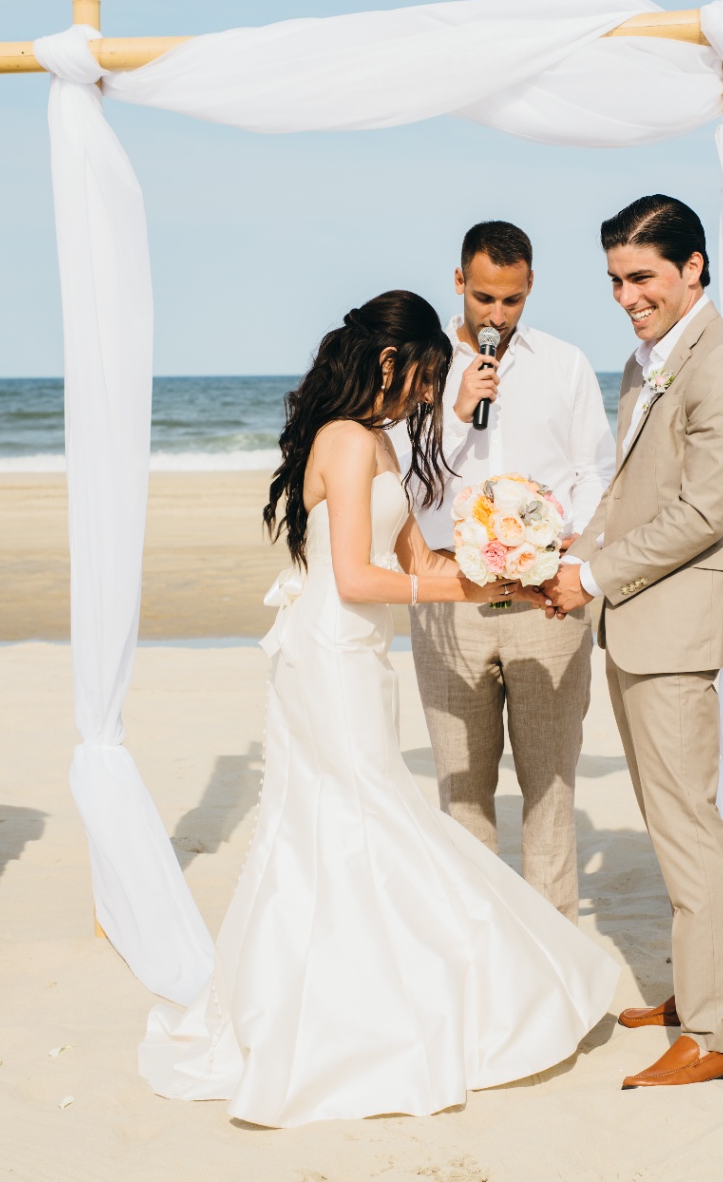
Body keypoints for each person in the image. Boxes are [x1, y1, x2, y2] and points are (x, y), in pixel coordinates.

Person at [139, 290, 618, 1128]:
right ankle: (355, 1014)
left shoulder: (382, 448)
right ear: (391, 362)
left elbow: (421, 559)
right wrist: (471, 586)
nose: (431, 396)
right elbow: (357, 578)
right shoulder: (345, 442)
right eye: (427, 378)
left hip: (360, 657)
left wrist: (511, 569)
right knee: (362, 817)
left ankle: (371, 992)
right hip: (327, 653)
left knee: (354, 819)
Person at [542, 194, 723, 1090]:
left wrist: (595, 578)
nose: (625, 295)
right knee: (669, 819)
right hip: (640, 620)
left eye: (642, 277)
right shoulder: (651, 361)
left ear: (694, 268)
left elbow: (704, 513)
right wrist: (575, 547)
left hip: (678, 627)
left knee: (688, 827)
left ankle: (719, 1036)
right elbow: (630, 489)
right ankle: (695, 989)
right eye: (614, 279)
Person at [393, 220, 614, 920]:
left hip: (546, 599)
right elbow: (400, 480)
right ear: (459, 282)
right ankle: (482, 963)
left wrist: (571, 554)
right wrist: (456, 412)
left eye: (512, 301)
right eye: (485, 297)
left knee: (551, 789)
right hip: (449, 595)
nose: (497, 316)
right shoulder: (420, 373)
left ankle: (554, 961)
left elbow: (594, 469)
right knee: (462, 794)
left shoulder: (566, 363)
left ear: (530, 289)